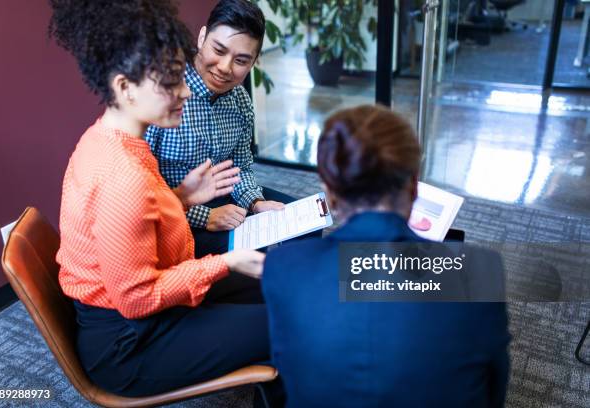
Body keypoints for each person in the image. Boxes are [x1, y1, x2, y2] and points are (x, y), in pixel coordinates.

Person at [50, 0, 277, 401]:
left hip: (141, 308)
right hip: (129, 343)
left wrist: (183, 197)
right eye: (172, 81)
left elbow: (141, 219)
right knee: (290, 320)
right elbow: (138, 298)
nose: (187, 90)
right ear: (124, 87)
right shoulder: (123, 177)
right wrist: (225, 262)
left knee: (284, 287)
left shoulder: (108, 139)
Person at [262, 105, 510, 407]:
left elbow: (290, 370)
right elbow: (493, 392)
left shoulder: (282, 267)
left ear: (330, 193)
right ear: (414, 185)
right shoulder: (479, 273)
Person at [145, 0, 306, 258]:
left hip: (225, 198)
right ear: (202, 37)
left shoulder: (241, 102)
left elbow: (240, 166)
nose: (224, 67)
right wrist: (204, 216)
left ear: (253, 62)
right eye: (219, 50)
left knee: (302, 223)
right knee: (253, 251)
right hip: (173, 214)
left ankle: (296, 294)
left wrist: (255, 202)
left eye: (241, 60)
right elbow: (143, 189)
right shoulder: (163, 95)